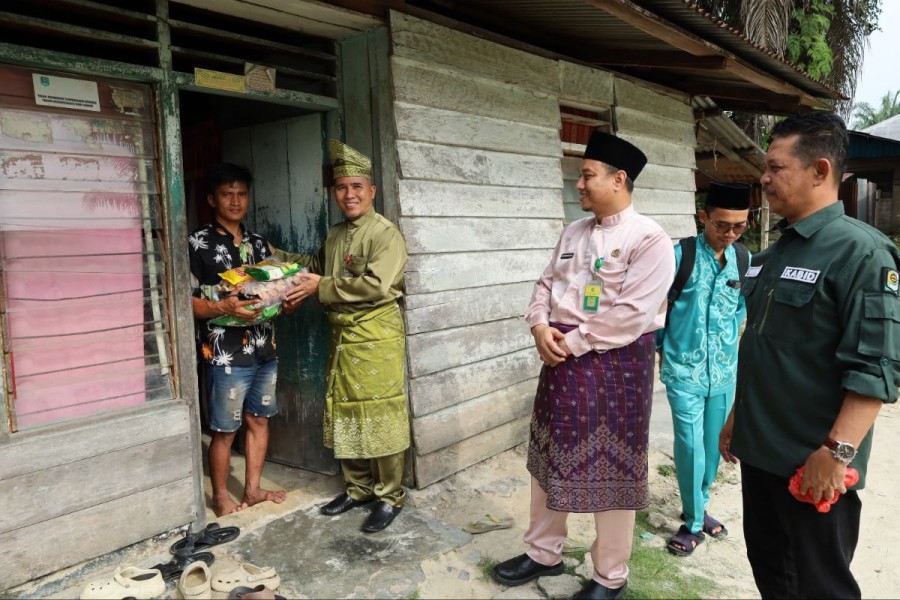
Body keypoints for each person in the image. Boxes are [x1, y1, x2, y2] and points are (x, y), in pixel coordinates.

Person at [719, 112, 899, 599]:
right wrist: (739, 415)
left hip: (811, 466)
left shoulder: (861, 253)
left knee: (818, 588)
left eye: (776, 167)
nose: (765, 176)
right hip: (761, 455)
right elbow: (765, 345)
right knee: (773, 577)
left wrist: (835, 453)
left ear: (820, 171)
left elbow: (876, 369)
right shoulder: (773, 254)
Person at [492, 131, 675, 600]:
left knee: (611, 465)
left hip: (616, 367)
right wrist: (538, 326)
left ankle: (609, 575)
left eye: (587, 176)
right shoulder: (572, 233)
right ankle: (542, 553)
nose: (578, 185)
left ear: (619, 179)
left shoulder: (649, 238)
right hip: (560, 359)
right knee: (549, 458)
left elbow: (632, 315)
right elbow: (543, 284)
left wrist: (570, 342)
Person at [281, 140, 410, 534]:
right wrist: (274, 256)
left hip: (375, 337)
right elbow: (316, 267)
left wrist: (321, 286)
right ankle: (358, 489)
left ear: (371, 190)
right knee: (345, 410)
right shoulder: (336, 234)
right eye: (341, 188)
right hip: (342, 338)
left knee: (379, 411)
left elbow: (373, 285)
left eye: (357, 186)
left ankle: (389, 495)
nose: (349, 194)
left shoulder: (385, 234)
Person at [188, 163, 292, 517]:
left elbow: (278, 287)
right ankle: (220, 495)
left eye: (241, 194)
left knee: (260, 420)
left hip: (265, 347)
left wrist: (284, 297)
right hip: (225, 352)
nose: (235, 201)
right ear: (211, 199)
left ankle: (253, 488)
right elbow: (185, 302)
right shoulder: (197, 243)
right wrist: (223, 305)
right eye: (227, 194)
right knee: (224, 429)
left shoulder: (260, 243)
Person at [657, 181, 752, 556]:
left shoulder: (743, 259)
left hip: (724, 373)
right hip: (684, 372)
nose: (729, 234)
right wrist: (664, 349)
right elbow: (656, 308)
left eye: (739, 226)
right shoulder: (679, 255)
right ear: (703, 217)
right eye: (721, 225)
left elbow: (740, 311)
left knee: (714, 447)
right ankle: (694, 523)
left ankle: (699, 503)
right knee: (690, 445)